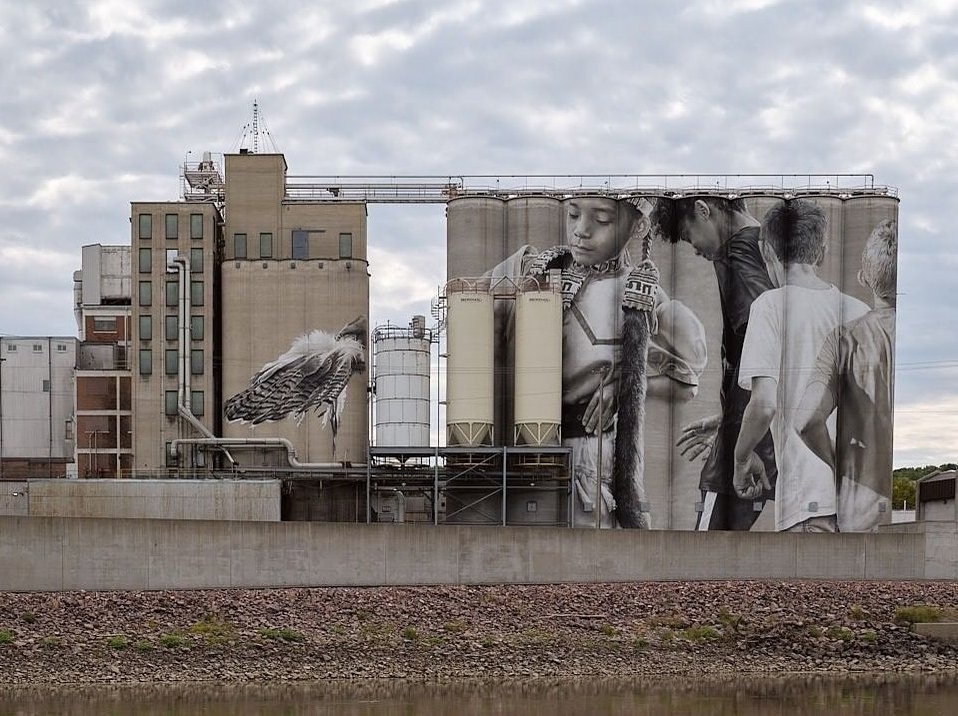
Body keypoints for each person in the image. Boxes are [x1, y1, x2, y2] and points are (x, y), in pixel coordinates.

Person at [488, 195, 707, 528]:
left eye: (601, 220)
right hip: (523, 450)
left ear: (639, 226)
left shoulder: (642, 294)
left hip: (586, 452)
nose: (581, 231)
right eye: (573, 215)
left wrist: (625, 388)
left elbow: (687, 378)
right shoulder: (539, 271)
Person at [733, 199, 869, 532]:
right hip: (864, 500)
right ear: (822, 252)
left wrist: (740, 459)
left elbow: (763, 404)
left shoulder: (771, 306)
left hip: (809, 499)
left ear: (766, 250)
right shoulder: (861, 313)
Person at [652, 196, 777, 530]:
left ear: (703, 210)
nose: (697, 249)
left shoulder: (736, 256)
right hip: (764, 431)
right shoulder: (767, 247)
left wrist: (741, 427)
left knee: (702, 560)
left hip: (749, 448)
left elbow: (764, 345)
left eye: (691, 237)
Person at [797, 220, 897, 531]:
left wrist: (838, 463)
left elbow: (805, 419)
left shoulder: (845, 340)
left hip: (861, 512)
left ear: (863, 278)